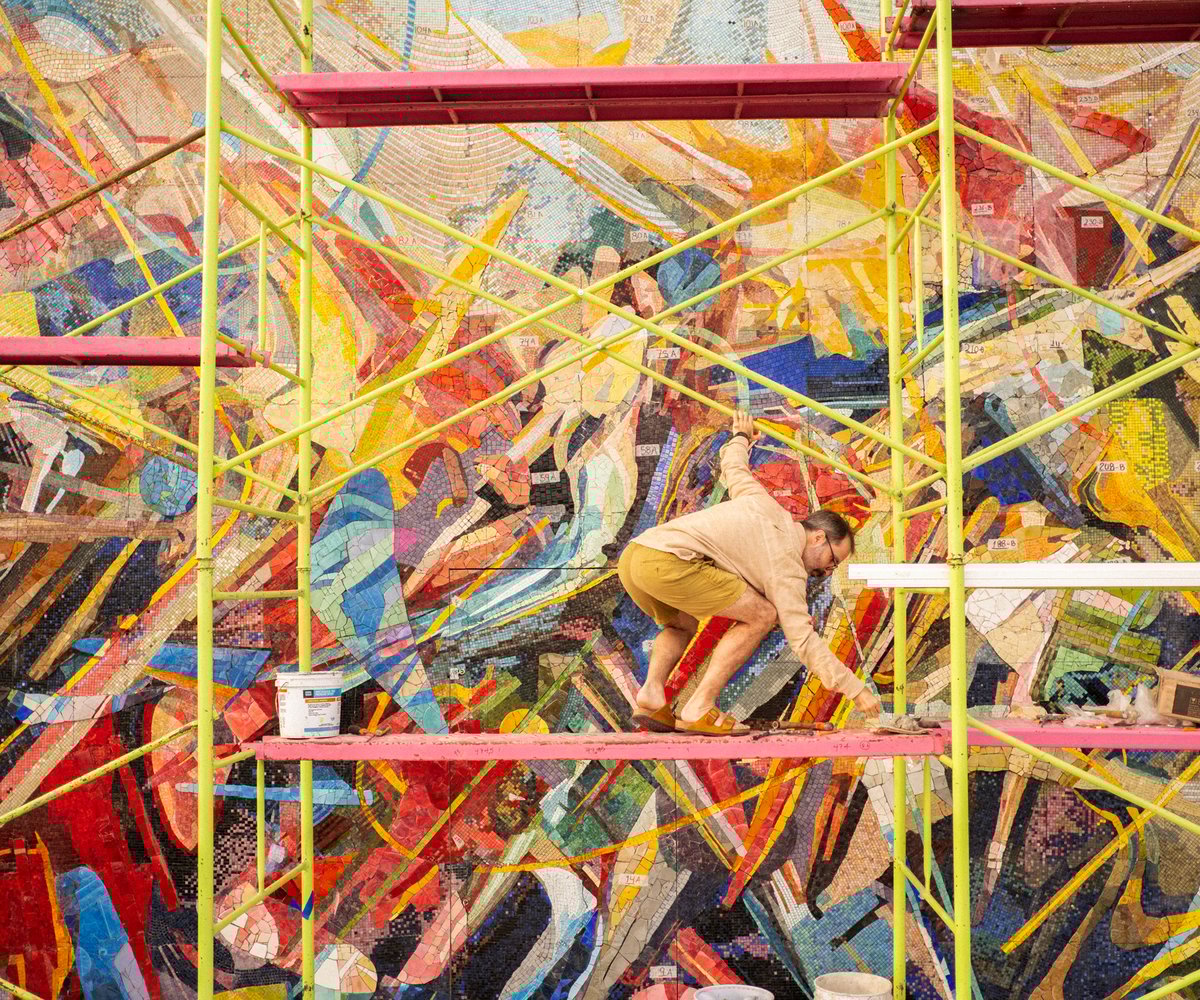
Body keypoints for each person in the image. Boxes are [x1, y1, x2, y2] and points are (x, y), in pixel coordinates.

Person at [617, 411, 882, 735]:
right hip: (668, 563)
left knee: (681, 625)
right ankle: (700, 705)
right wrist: (856, 690)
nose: (827, 571)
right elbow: (802, 639)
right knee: (762, 614)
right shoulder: (788, 565)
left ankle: (651, 695)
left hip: (635, 557)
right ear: (817, 537)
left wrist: (740, 436)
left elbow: (734, 468)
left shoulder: (762, 503)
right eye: (832, 559)